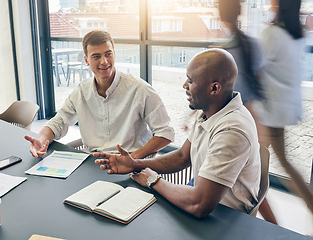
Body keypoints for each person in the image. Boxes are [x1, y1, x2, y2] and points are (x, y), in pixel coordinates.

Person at [94, 49, 261, 217]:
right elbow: (182, 157)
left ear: (214, 88)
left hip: (226, 216)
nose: (184, 86)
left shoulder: (232, 130)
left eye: (191, 80)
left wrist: (153, 180)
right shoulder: (210, 111)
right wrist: (135, 164)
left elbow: (200, 204)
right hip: (204, 196)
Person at [25, 30, 174, 159]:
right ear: (86, 60)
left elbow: (166, 133)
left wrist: (133, 158)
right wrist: (41, 140)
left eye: (108, 54)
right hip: (93, 163)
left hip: (133, 166)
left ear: (114, 54)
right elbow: (58, 123)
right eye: (96, 56)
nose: (104, 61)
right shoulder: (81, 91)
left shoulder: (140, 89)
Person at [218, 0, 277, 224]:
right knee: (257, 185)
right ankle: (275, 228)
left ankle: (275, 230)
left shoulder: (224, 53)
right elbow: (262, 79)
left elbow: (218, 95)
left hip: (239, 124)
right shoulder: (253, 44)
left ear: (222, 18)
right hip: (258, 119)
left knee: (248, 188)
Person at [256, 0, 313, 216]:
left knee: (255, 163)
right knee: (276, 160)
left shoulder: (272, 34)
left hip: (269, 109)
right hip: (284, 105)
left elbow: (256, 67)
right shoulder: (298, 33)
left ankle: (261, 216)